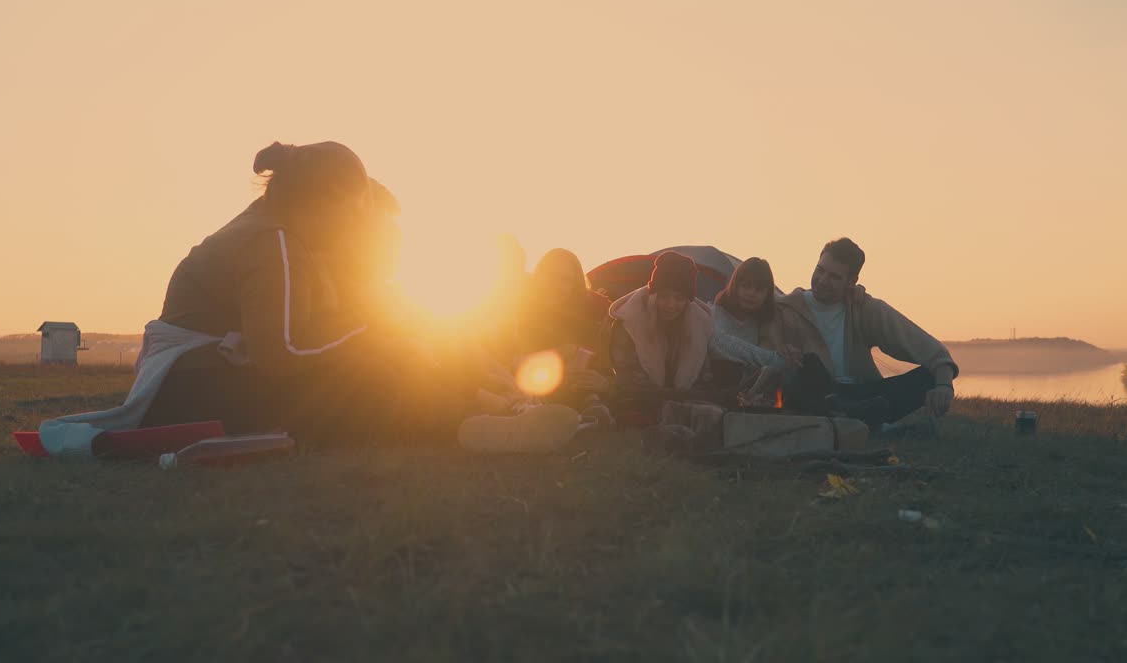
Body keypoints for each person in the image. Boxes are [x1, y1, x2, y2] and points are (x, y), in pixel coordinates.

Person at [139, 140, 478, 441]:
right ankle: (471, 423)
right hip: (198, 393)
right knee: (375, 385)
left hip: (190, 387)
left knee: (386, 372)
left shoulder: (270, 228)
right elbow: (281, 353)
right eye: (352, 214)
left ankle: (473, 415)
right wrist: (375, 336)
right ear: (329, 206)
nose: (350, 229)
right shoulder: (273, 242)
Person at [774, 237, 959, 425]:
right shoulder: (787, 309)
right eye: (820, 270)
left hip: (862, 395)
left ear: (851, 282)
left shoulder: (863, 308)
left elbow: (927, 348)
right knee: (805, 367)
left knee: (927, 378)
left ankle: (853, 416)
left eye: (834, 277)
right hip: (815, 390)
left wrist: (944, 385)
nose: (822, 281)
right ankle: (864, 420)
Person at [489, 248, 613, 410]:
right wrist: (560, 353)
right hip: (532, 384)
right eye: (550, 276)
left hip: (579, 389)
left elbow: (612, 359)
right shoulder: (520, 309)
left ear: (574, 285)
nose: (556, 285)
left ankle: (591, 409)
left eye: (565, 280)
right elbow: (504, 358)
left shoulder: (591, 311)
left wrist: (605, 382)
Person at [608, 251, 719, 422]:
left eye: (679, 298)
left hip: (684, 399)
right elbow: (628, 378)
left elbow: (705, 379)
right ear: (654, 295)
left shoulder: (701, 326)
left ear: (687, 301)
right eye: (664, 296)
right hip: (639, 399)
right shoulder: (629, 323)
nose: (670, 305)